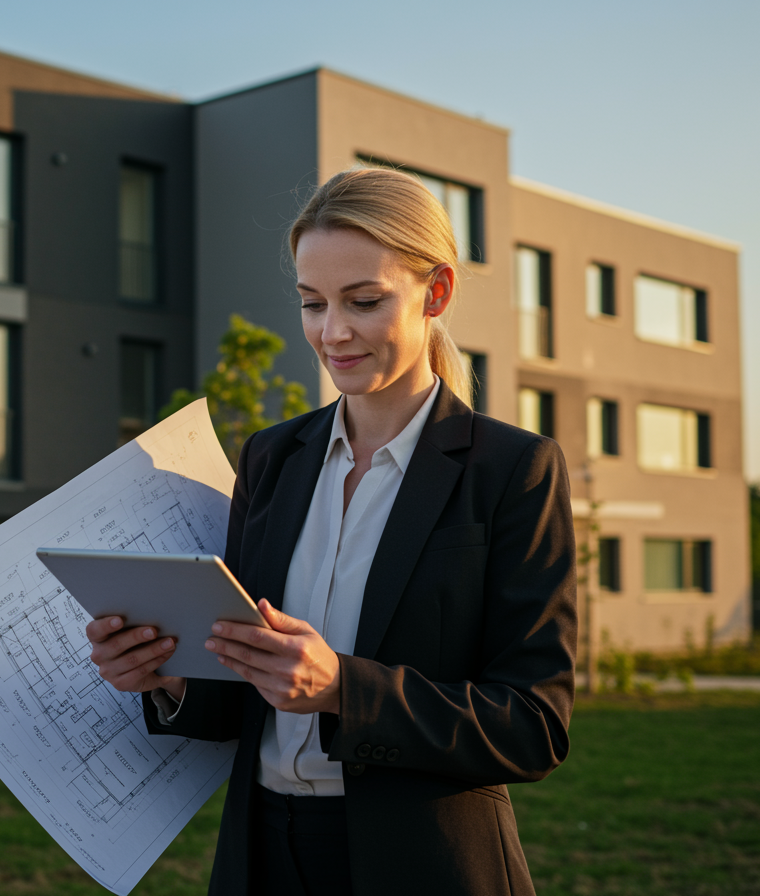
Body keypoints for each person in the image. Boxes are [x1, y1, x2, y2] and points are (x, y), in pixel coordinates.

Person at [87, 166, 577, 895]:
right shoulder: (272, 457)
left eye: (365, 301)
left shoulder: (513, 469)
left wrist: (345, 687)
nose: (333, 332)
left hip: (424, 866)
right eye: (313, 304)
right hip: (263, 857)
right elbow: (243, 682)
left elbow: (534, 723)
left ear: (435, 292)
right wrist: (164, 678)